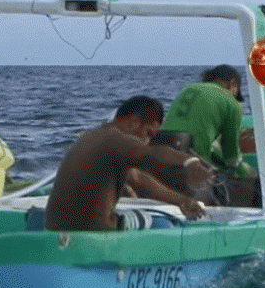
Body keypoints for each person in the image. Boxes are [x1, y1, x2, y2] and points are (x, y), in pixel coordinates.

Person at [44, 96, 213, 231]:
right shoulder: (118, 140)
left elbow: (139, 178)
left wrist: (181, 200)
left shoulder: (91, 136)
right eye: (148, 133)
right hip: (96, 230)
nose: (147, 141)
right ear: (134, 122)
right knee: (160, 222)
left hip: (54, 226)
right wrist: (189, 161)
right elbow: (153, 153)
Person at [159, 64, 255, 179]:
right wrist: (239, 169)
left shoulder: (188, 89)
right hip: (193, 153)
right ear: (233, 84)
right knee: (247, 173)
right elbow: (230, 149)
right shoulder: (231, 102)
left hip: (164, 148)